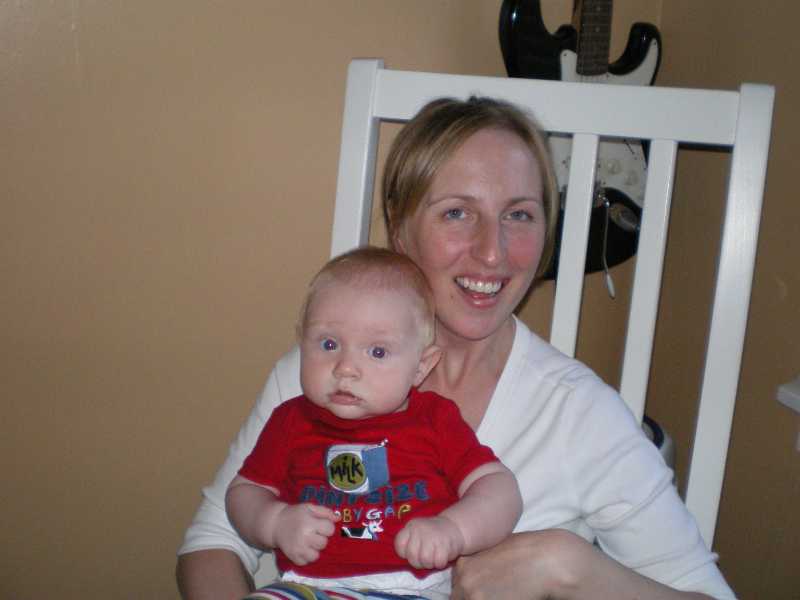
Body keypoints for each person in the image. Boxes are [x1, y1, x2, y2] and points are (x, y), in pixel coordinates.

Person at [177, 96, 736, 600]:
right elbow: (213, 542)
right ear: (401, 230)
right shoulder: (322, 375)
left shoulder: (578, 415)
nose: (492, 252)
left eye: (519, 214)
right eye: (457, 212)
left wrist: (571, 569)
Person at [225, 247, 522, 599]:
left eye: (377, 351)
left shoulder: (435, 419)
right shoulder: (291, 419)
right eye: (329, 344)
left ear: (421, 367)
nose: (346, 368)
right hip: (306, 587)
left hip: (411, 589)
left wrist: (453, 529)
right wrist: (274, 522)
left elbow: (499, 489)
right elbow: (243, 492)